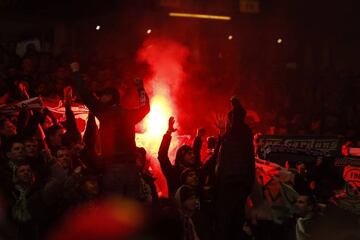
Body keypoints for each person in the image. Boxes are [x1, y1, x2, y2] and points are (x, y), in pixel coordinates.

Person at [70, 62, 150, 198]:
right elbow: (145, 108)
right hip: (131, 170)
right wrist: (140, 89)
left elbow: (85, 94)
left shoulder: (104, 112)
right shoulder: (129, 114)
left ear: (110, 98)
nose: (99, 99)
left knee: (113, 208)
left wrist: (76, 73)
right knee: (132, 209)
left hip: (113, 168)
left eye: (103, 96)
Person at [214, 97, 255, 239]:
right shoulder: (228, 137)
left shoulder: (241, 133)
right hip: (227, 184)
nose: (228, 123)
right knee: (228, 222)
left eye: (229, 120)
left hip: (236, 183)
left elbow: (238, 117)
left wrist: (236, 105)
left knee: (233, 220)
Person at [158, 117, 203, 197]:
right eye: (189, 154)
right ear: (181, 157)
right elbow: (162, 155)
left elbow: (196, 152)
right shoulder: (173, 172)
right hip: (177, 208)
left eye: (193, 154)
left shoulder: (195, 170)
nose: (193, 156)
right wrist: (168, 133)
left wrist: (198, 138)